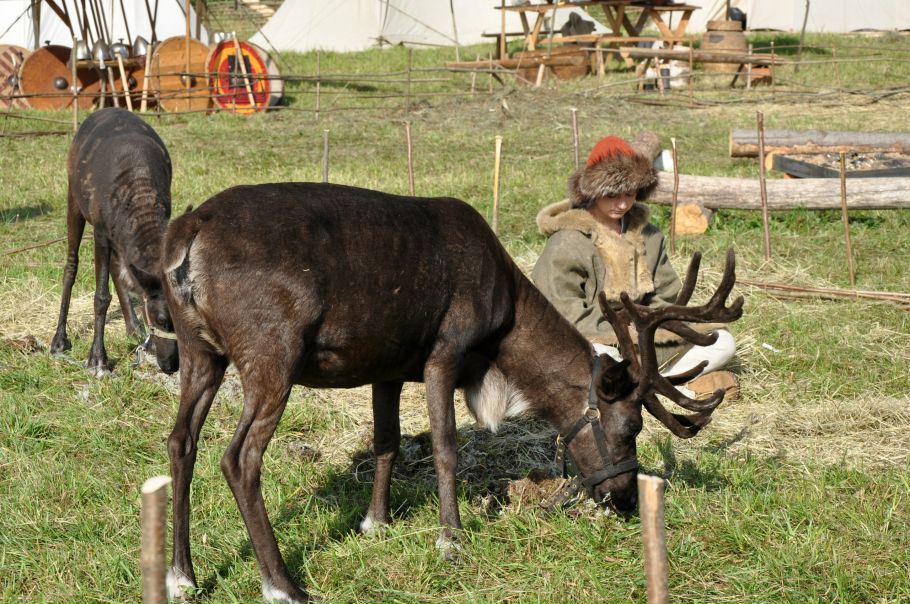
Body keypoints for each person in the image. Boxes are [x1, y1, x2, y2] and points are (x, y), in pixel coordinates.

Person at [531, 134, 738, 399]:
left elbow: (667, 294)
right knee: (603, 358)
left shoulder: (648, 235)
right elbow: (563, 312)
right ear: (593, 190)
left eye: (629, 194)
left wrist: (646, 325)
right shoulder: (566, 241)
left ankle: (650, 385)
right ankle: (667, 387)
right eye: (612, 195)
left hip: (644, 336)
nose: (621, 204)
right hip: (593, 339)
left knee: (722, 342)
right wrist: (617, 333)